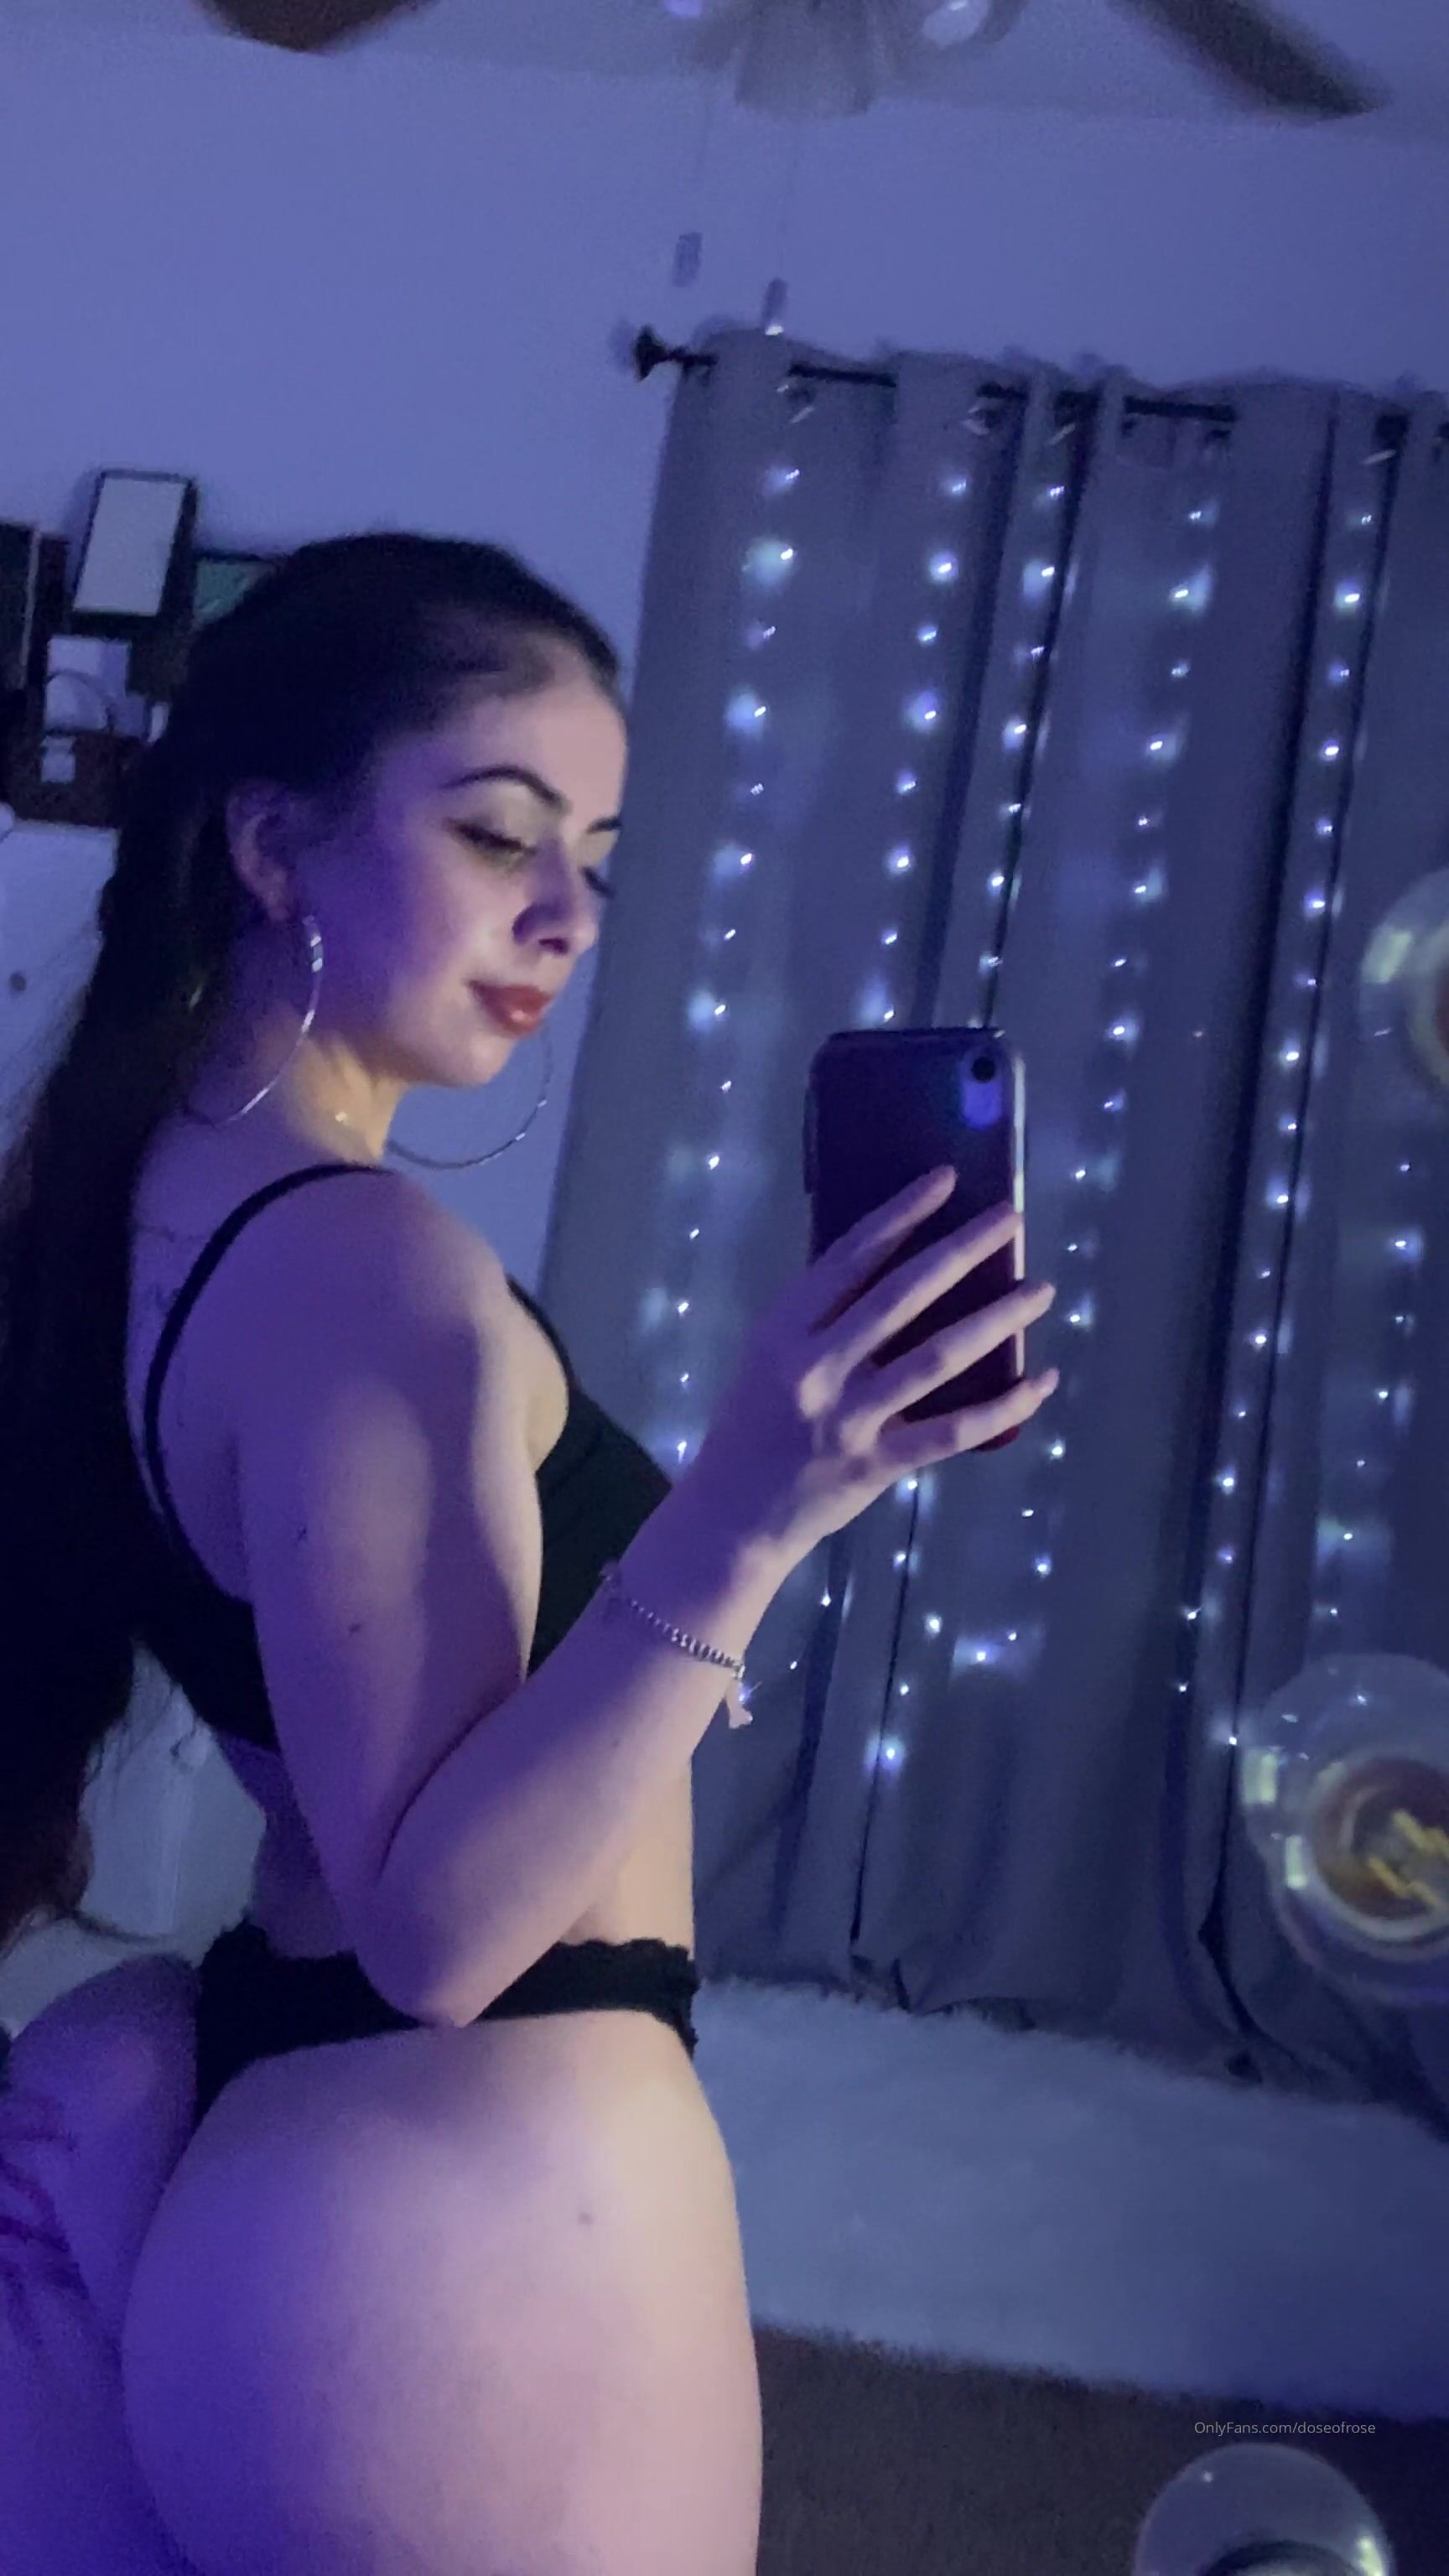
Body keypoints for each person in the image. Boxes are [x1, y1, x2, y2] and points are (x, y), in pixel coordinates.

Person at [0, 531, 1058, 2575]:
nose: (565, 913)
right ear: (273, 848)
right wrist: (758, 1503)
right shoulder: (362, 1271)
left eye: (597, 858)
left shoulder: (133, 1199)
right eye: (499, 834)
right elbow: (441, 1931)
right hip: (463, 2210)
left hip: (310, 2158)